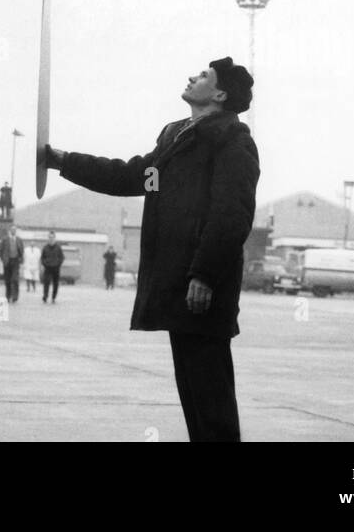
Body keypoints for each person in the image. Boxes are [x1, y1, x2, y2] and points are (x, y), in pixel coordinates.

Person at [44, 56, 259, 443]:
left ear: (221, 94)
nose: (193, 76)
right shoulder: (176, 139)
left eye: (204, 76)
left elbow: (231, 214)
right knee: (194, 395)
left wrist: (205, 275)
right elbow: (133, 176)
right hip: (180, 283)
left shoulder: (231, 140)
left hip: (201, 286)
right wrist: (64, 161)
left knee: (211, 400)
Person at [0, 225, 24, 303]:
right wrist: (3, 259)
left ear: (16, 231)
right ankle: (8, 295)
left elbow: (21, 251)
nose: (13, 231)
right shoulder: (5, 240)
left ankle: (15, 296)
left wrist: (20, 259)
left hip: (16, 261)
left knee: (15, 279)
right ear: (10, 230)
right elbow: (0, 251)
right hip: (7, 261)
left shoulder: (19, 240)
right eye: (12, 229)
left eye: (15, 230)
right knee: (8, 280)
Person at [40, 231, 64, 303]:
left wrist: (58, 264)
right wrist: (45, 263)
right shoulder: (45, 247)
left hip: (56, 268)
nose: (51, 239)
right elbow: (42, 258)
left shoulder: (58, 248)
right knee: (46, 283)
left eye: (52, 237)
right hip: (47, 268)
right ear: (48, 238)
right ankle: (45, 296)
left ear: (54, 238)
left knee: (55, 283)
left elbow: (62, 257)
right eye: (50, 237)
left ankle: (53, 297)